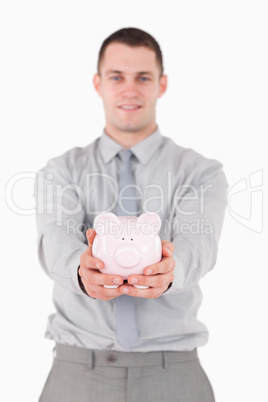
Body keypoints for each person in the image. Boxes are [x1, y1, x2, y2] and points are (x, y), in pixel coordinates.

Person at [35, 27, 228, 402]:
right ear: (98, 83)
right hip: (77, 373)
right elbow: (56, 237)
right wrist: (81, 268)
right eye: (117, 77)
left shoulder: (200, 171)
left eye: (143, 77)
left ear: (162, 84)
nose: (129, 89)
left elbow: (198, 240)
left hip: (173, 373)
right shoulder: (61, 171)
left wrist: (173, 270)